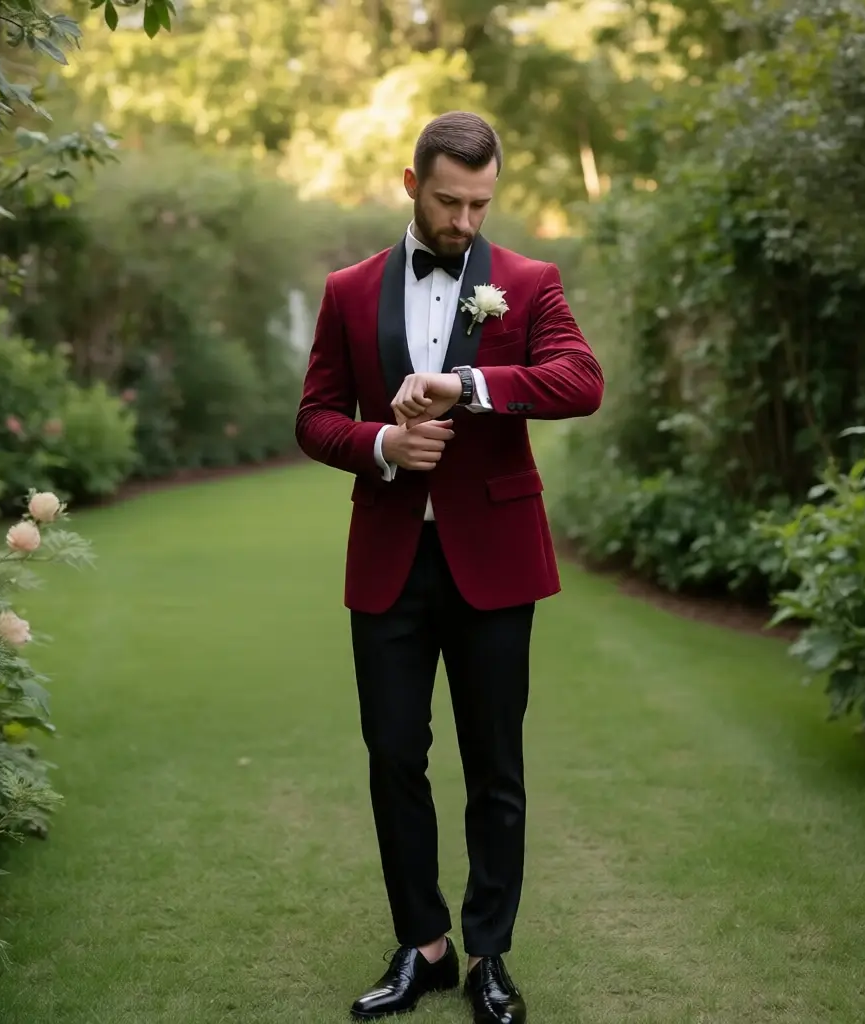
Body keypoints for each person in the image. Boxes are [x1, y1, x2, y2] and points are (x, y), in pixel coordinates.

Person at [294, 111, 604, 1023]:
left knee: (494, 765)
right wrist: (382, 441)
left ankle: (491, 955)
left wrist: (470, 385)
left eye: (481, 202)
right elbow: (314, 418)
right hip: (389, 558)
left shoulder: (528, 282)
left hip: (497, 562)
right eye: (448, 200)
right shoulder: (349, 290)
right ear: (410, 184)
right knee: (393, 756)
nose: (466, 221)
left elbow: (581, 382)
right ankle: (423, 945)